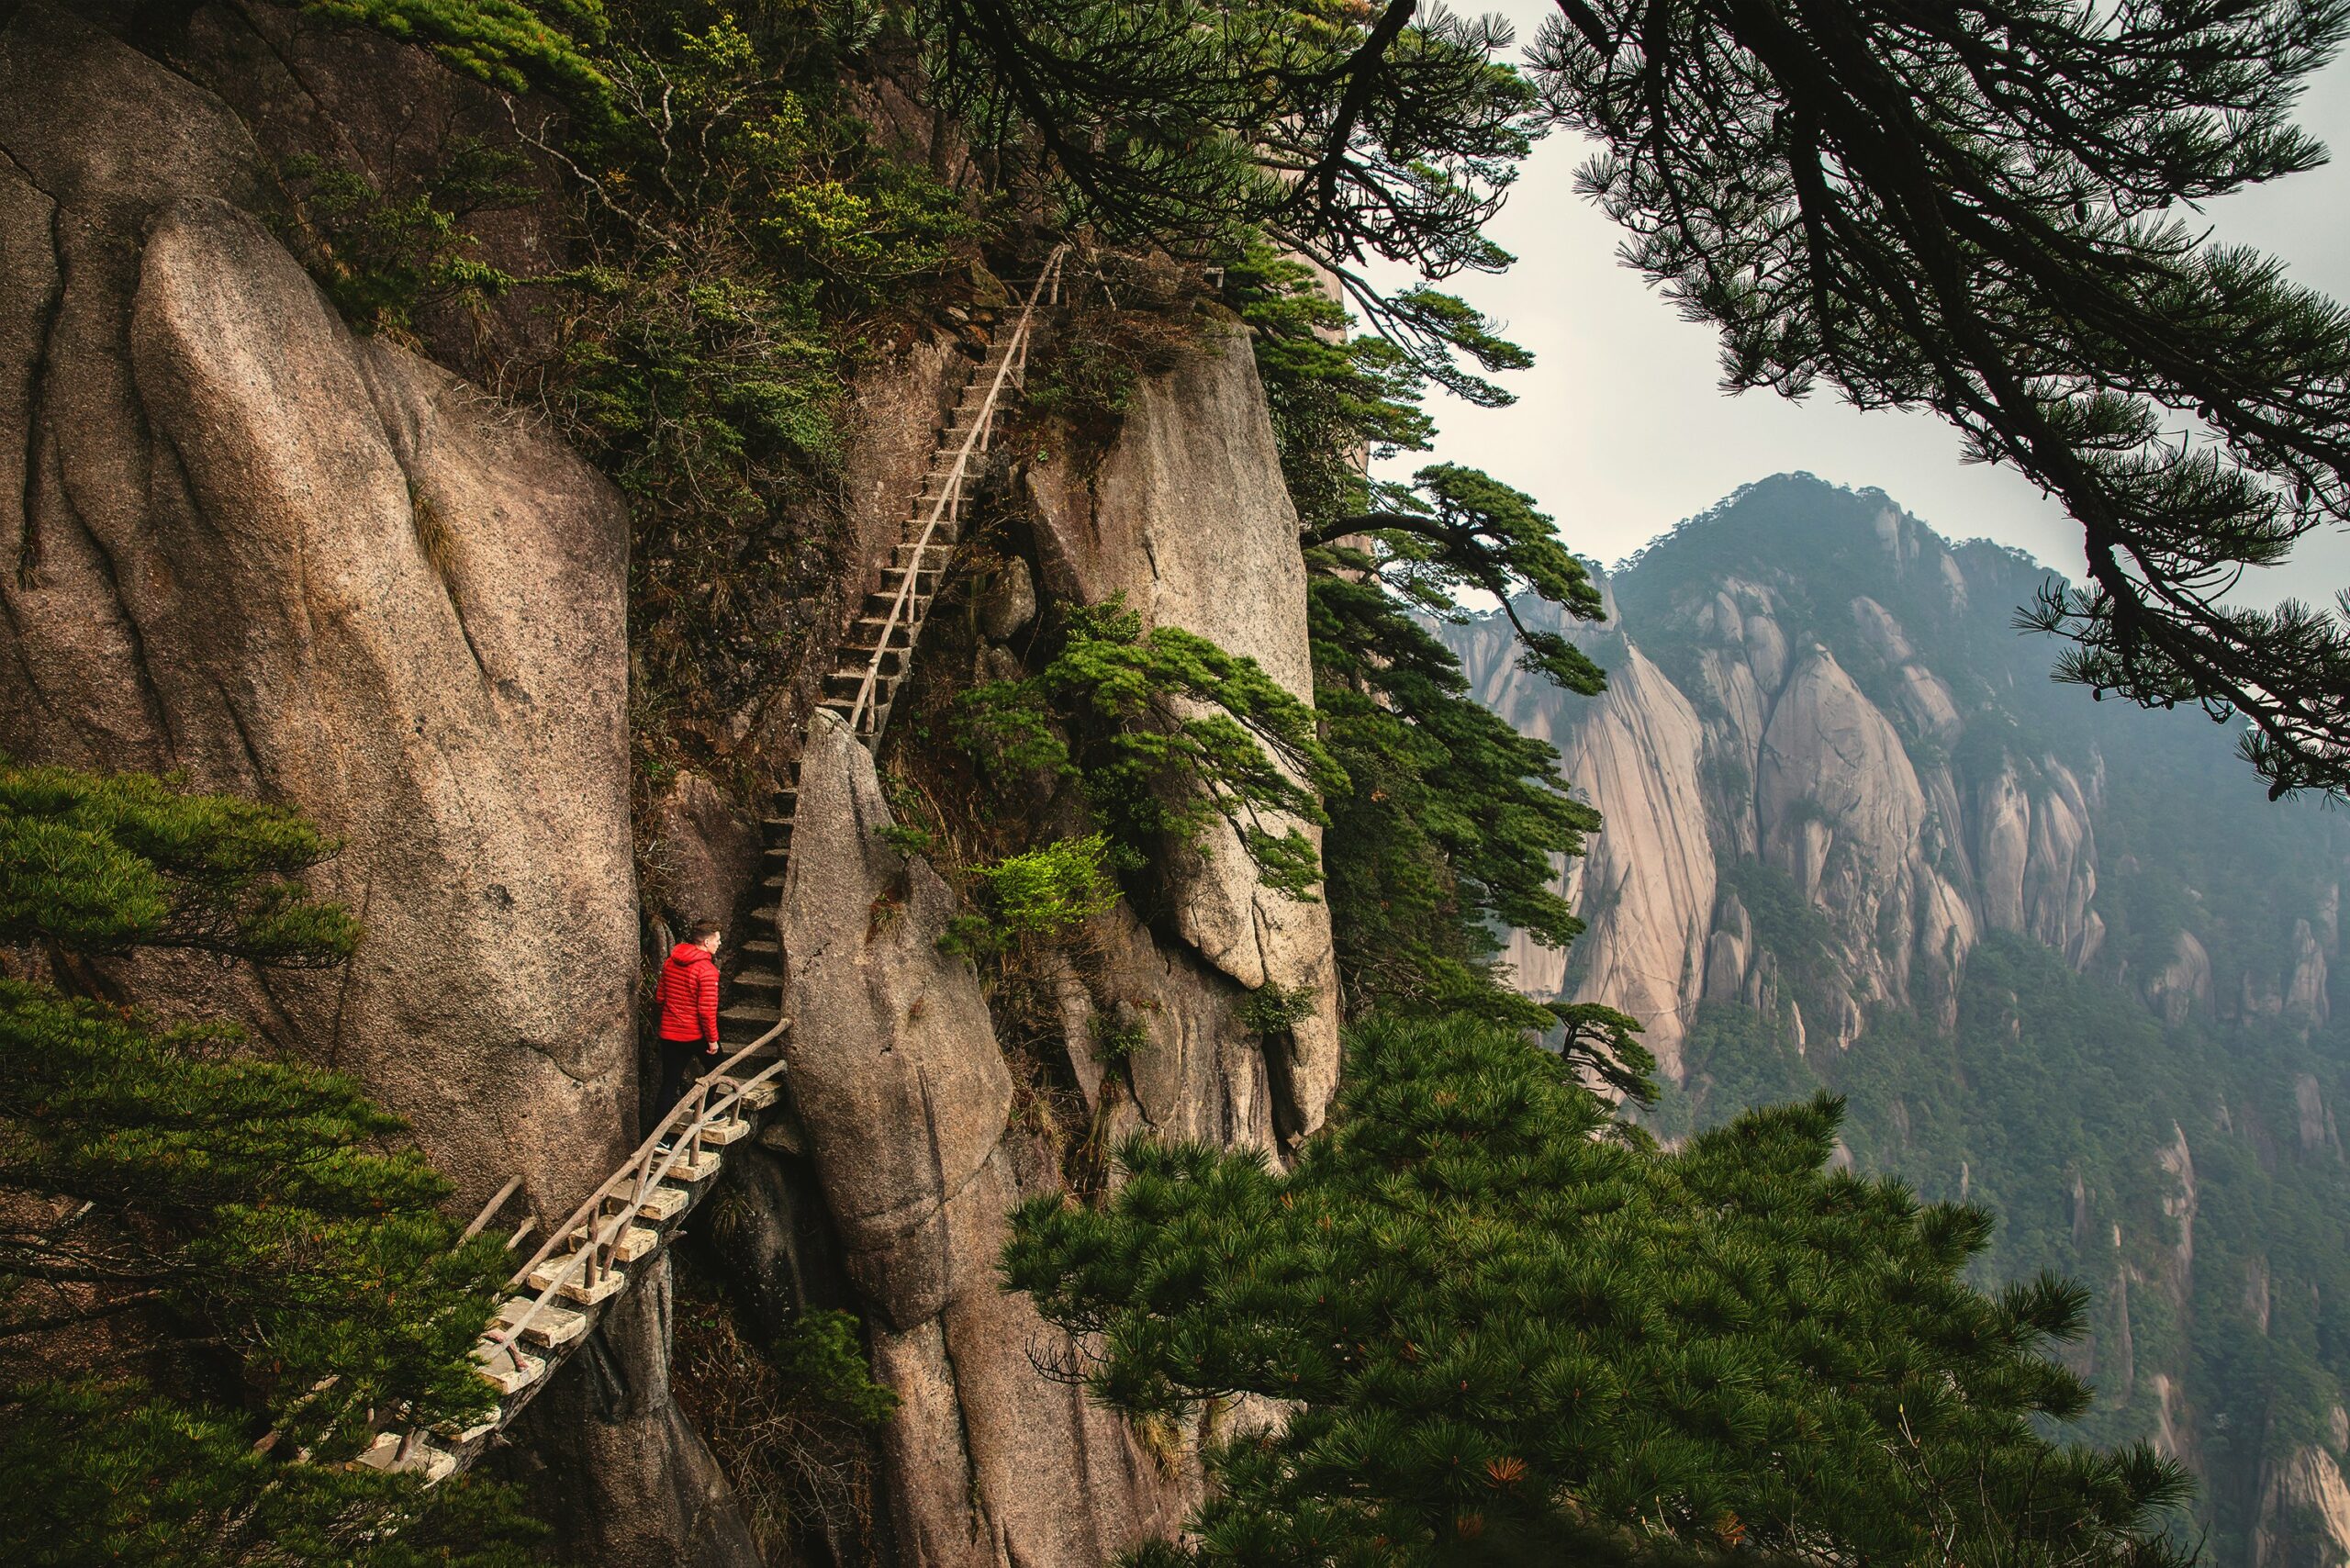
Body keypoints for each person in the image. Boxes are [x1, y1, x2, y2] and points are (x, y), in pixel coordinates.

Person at [653, 919, 722, 1124]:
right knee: (719, 1064)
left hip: (669, 1033)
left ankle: (658, 1140)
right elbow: (706, 1011)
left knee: (669, 1083)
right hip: (694, 1034)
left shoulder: (671, 961)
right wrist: (712, 1041)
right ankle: (706, 1110)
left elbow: (660, 998)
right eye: (717, 940)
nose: (719, 944)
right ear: (706, 942)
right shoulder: (707, 970)